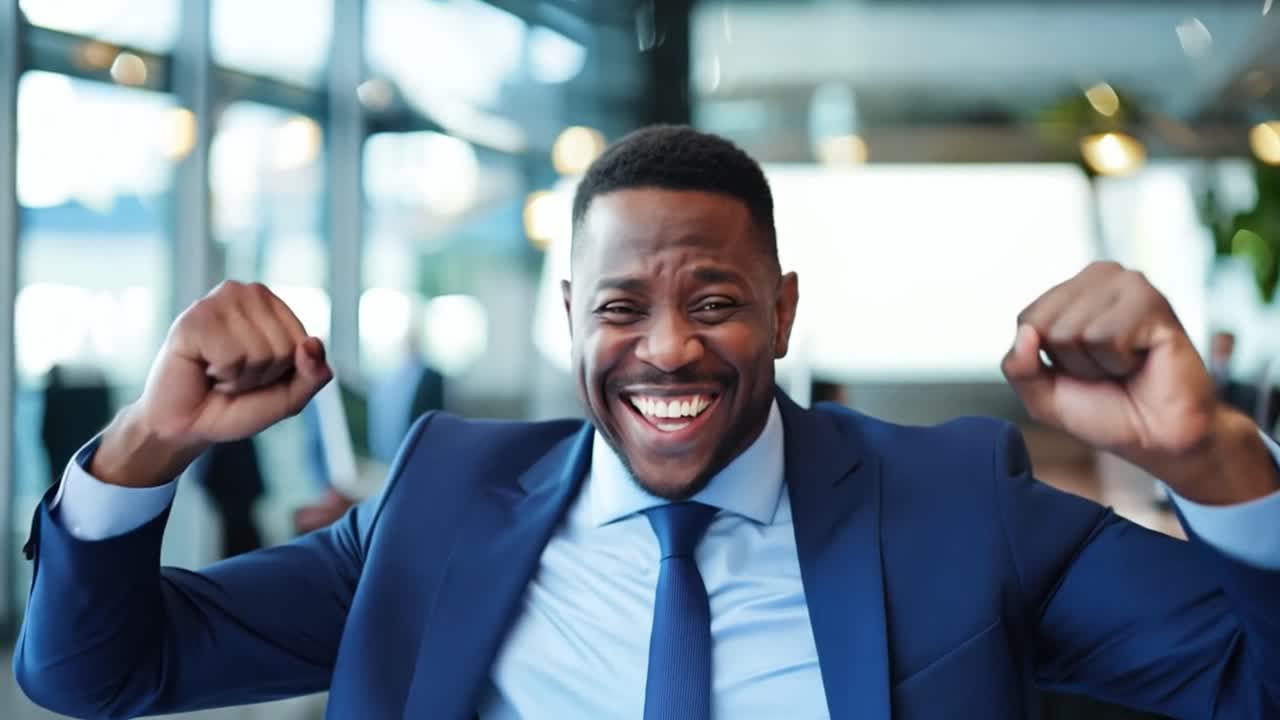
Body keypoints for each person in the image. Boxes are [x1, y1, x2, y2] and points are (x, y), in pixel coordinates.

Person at [14, 126, 1280, 719]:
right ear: (569, 318)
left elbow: (1252, 678)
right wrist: (148, 447)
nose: (666, 347)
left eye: (716, 301)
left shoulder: (954, 502)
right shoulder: (441, 498)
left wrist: (1210, 460)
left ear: (782, 313)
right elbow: (92, 674)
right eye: (621, 306)